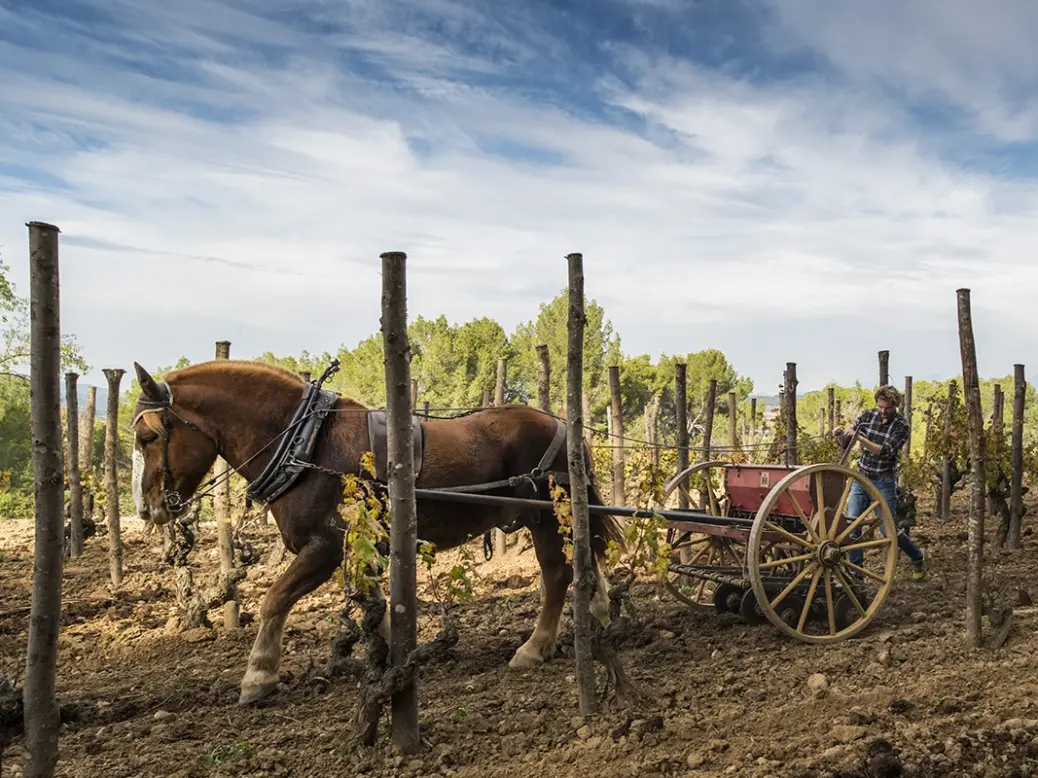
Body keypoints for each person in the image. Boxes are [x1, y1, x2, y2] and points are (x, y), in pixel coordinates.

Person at [834, 385, 927, 581]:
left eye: (887, 408)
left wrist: (861, 438)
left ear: (895, 406)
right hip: (862, 478)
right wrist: (841, 436)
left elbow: (883, 451)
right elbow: (848, 441)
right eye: (880, 406)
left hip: (883, 481)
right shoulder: (868, 416)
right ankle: (857, 574)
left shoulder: (901, 426)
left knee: (888, 530)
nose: (883, 411)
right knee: (852, 525)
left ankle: (917, 557)